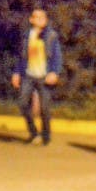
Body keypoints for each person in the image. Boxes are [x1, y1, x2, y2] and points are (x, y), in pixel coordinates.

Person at [11, 8, 63, 145]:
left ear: (46, 20)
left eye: (42, 17)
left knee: (45, 108)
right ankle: (33, 133)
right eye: (36, 17)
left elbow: (57, 56)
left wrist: (54, 72)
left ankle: (46, 135)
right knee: (22, 103)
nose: (40, 19)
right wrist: (16, 72)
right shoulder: (26, 36)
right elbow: (21, 56)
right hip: (29, 75)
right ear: (31, 20)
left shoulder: (51, 36)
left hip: (44, 76)